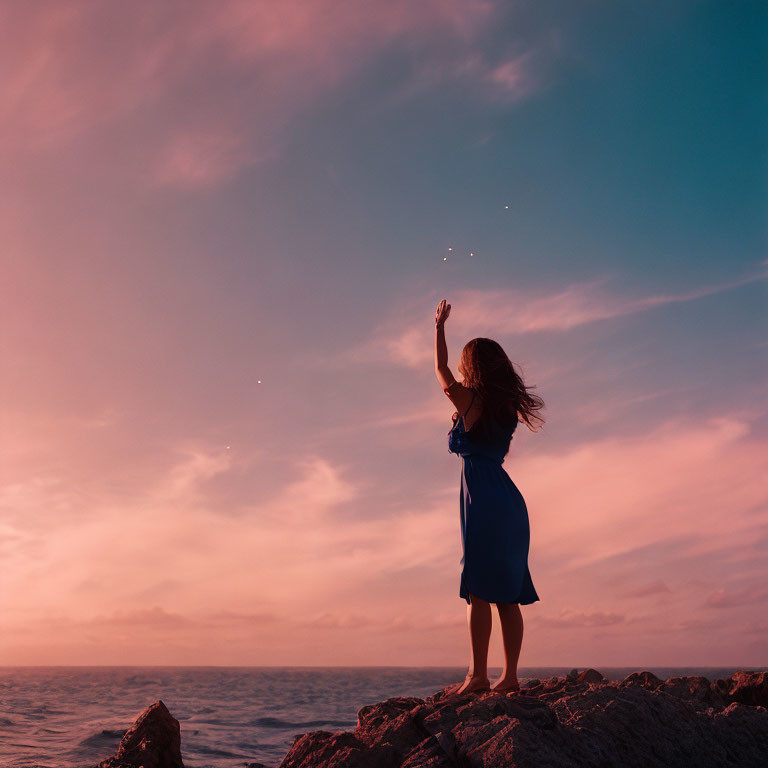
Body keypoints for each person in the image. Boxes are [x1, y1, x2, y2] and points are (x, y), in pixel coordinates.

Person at [434, 298, 544, 695]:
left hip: (482, 499)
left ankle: (478, 675)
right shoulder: (505, 406)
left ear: (473, 366)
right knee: (507, 594)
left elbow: (442, 372)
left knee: (479, 589)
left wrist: (439, 328)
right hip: (509, 501)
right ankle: (510, 677)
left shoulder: (472, 401)